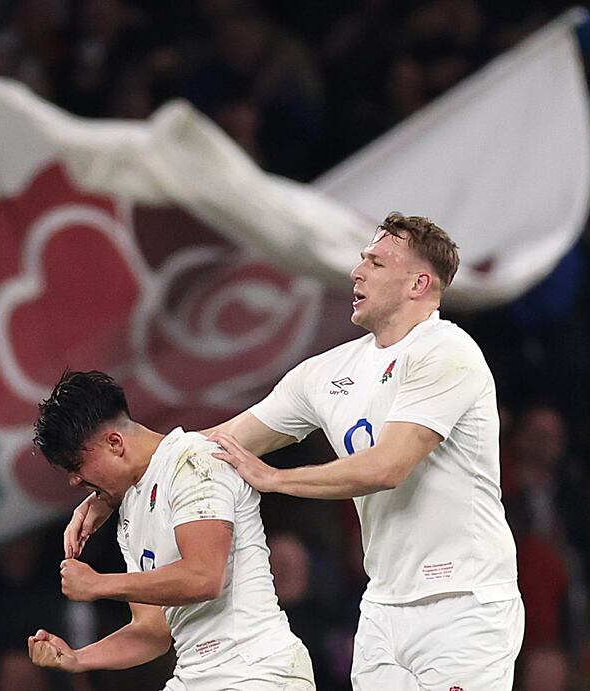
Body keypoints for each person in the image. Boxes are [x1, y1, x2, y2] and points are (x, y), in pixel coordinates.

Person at [64, 213, 524, 690]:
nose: (356, 272)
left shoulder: (447, 352)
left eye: (376, 263)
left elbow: (388, 467)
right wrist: (117, 488)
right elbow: (214, 445)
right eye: (362, 259)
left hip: (462, 599)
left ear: (418, 284)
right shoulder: (326, 373)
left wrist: (276, 478)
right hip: (383, 607)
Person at [29, 370, 315, 690]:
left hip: (258, 670)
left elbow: (204, 577)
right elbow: (151, 632)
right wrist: (77, 658)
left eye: (75, 465)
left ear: (115, 443)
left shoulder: (192, 461)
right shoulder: (130, 510)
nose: (74, 481)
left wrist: (99, 584)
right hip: (195, 677)